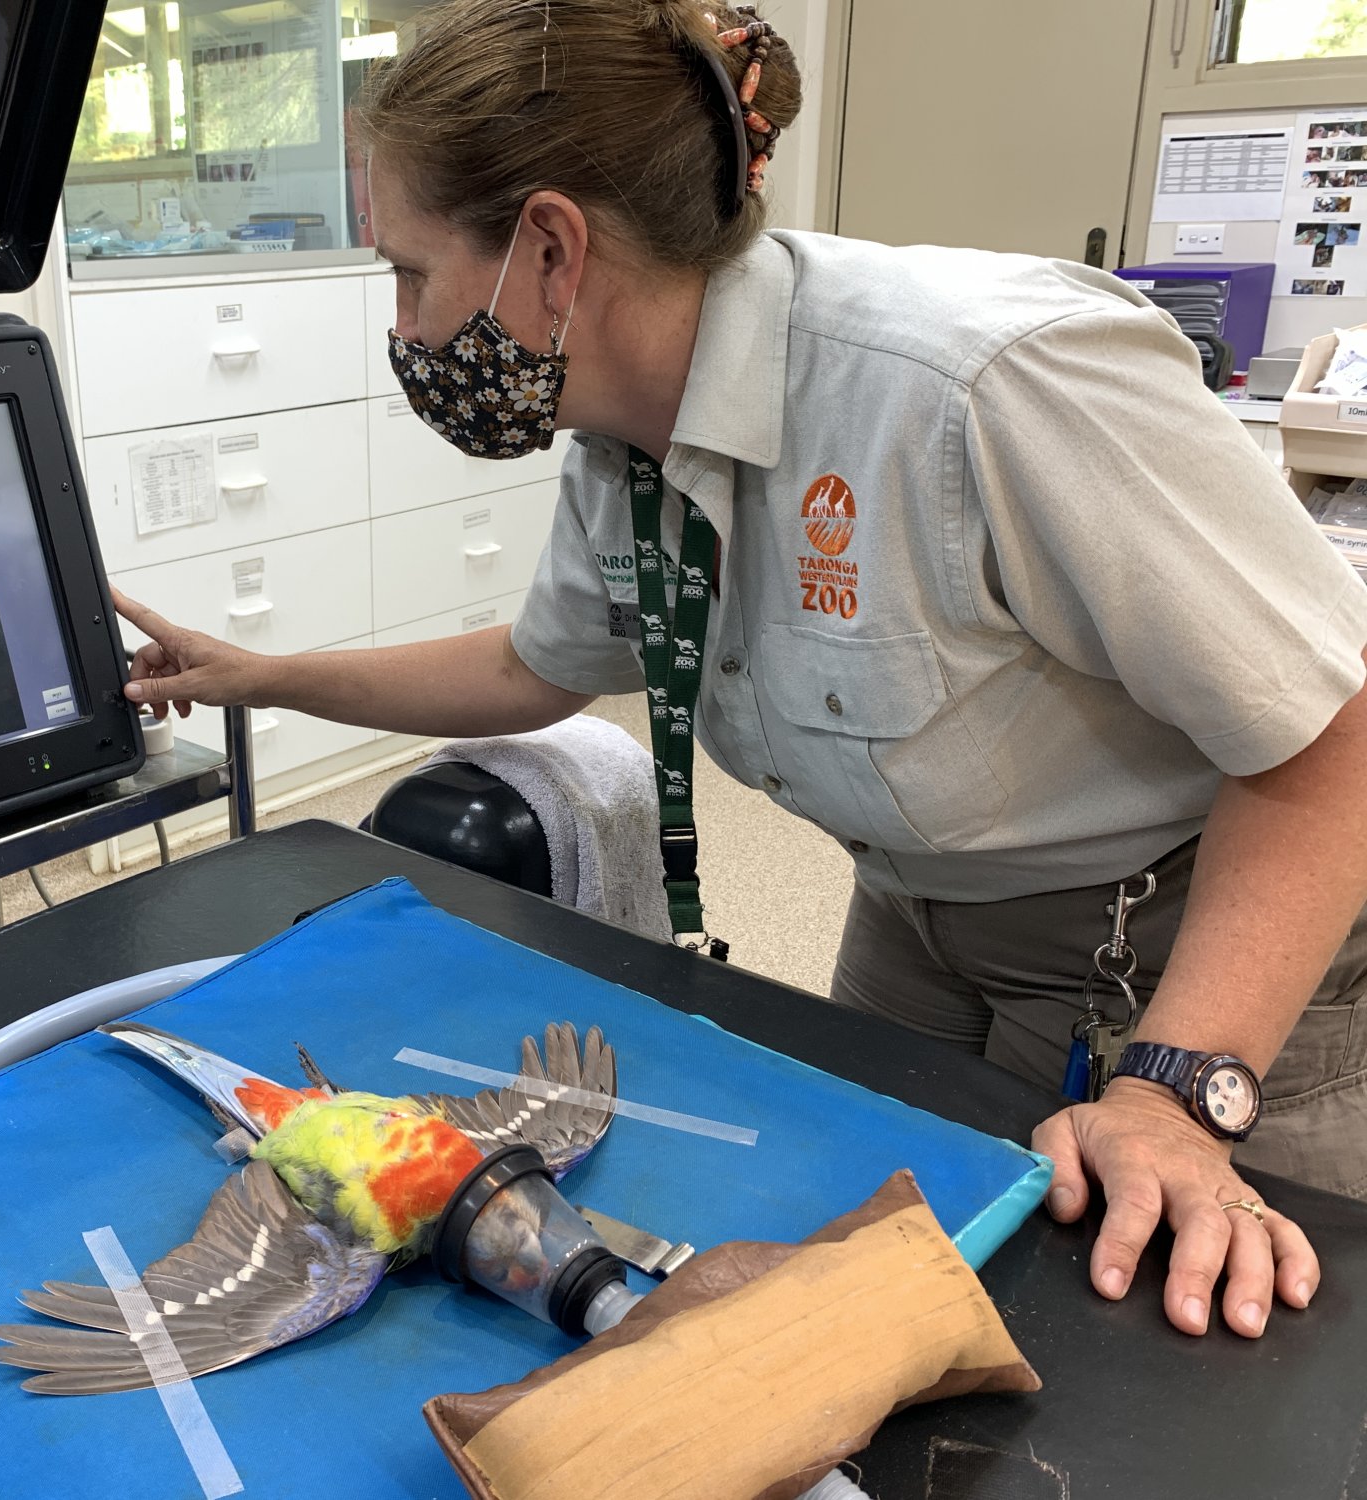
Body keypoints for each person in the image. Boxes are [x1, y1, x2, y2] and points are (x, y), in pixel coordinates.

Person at [113, 0, 1367, 1342]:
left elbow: (1332, 732)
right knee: (885, 1298)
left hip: (1188, 945)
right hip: (915, 919)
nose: (407, 326)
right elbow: (535, 671)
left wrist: (1175, 1092)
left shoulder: (978, 385)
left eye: (411, 271)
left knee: (1153, 1356)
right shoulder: (622, 434)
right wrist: (263, 674)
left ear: (549, 248)